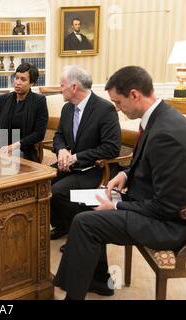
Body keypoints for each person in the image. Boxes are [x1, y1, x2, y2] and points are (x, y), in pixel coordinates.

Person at [54, 66, 186, 300]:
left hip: (169, 225)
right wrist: (125, 175)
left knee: (85, 223)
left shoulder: (166, 133)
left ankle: (72, 295)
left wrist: (117, 206)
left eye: (118, 102)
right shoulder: (160, 118)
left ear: (135, 95)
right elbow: (148, 164)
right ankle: (94, 281)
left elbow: (166, 207)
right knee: (86, 206)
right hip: (149, 204)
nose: (117, 108)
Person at [50, 65, 121, 244]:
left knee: (59, 191)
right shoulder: (67, 108)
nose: (60, 89)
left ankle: (78, 236)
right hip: (70, 166)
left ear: (74, 87)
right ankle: (62, 225)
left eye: (62, 85)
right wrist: (62, 150)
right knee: (41, 183)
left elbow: (111, 148)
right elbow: (58, 136)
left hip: (94, 169)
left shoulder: (104, 109)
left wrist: (76, 157)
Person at [0, 63, 48, 162]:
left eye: (23, 79)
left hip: (24, 151)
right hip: (1, 147)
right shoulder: (4, 99)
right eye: (16, 77)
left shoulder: (39, 101)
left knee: (6, 160)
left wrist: (13, 147)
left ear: (32, 83)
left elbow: (39, 134)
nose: (17, 82)